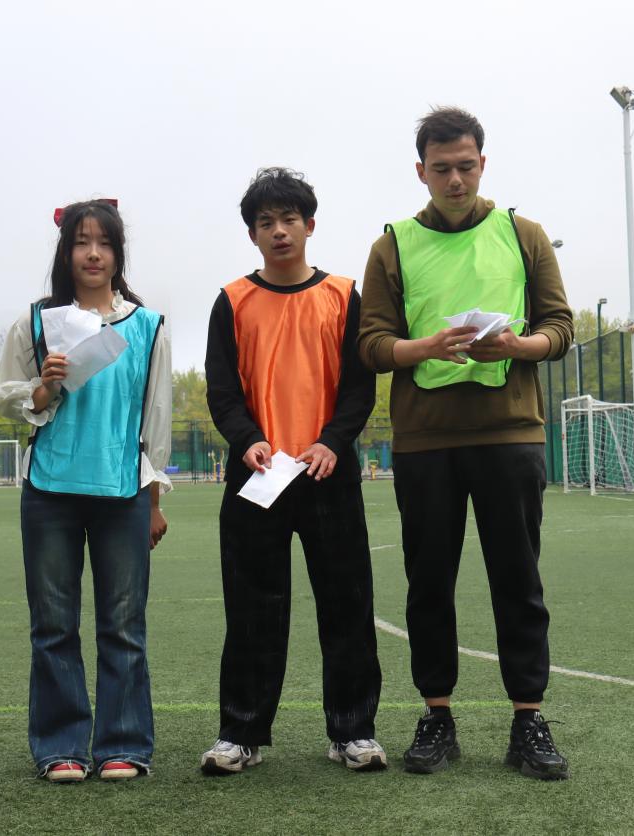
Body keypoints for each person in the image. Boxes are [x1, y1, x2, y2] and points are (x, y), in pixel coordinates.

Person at [357, 106, 575, 780]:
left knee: (518, 581)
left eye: (465, 166)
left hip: (510, 434)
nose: (454, 179)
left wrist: (518, 346)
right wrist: (423, 347)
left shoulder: (523, 234)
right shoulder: (391, 246)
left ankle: (528, 720)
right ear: (420, 171)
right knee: (428, 584)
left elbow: (560, 328)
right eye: (441, 168)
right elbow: (371, 345)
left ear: (483, 164)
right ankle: (436, 717)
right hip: (425, 442)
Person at [201, 168, 384, 775]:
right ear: (252, 234)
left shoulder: (343, 295)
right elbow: (223, 391)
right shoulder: (232, 300)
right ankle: (241, 734)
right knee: (252, 610)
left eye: (288, 219)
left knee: (347, 605)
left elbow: (359, 387)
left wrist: (332, 442)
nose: (279, 231)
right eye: (265, 222)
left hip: (328, 474)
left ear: (309, 225)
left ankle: (353, 731)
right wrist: (248, 440)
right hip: (257, 477)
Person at [0, 199, 172, 783]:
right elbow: (5, 399)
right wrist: (43, 388)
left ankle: (124, 744)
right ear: (65, 251)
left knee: (124, 626)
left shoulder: (147, 325)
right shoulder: (36, 322)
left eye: (105, 243)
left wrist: (154, 501)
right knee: (53, 626)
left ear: (118, 253)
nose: (93, 254)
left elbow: (156, 417)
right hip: (49, 491)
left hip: (123, 492)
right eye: (81, 242)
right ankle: (61, 746)